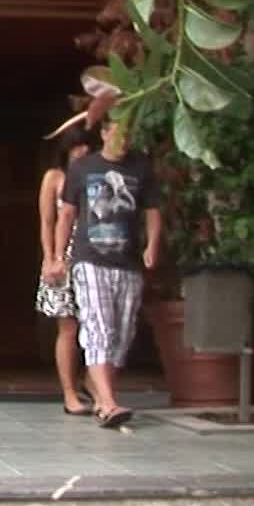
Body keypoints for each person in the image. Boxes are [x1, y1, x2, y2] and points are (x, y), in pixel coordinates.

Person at [45, 117, 161, 429]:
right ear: (105, 133)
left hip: (128, 262)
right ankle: (107, 402)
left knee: (121, 333)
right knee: (97, 325)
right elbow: (64, 215)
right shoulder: (81, 169)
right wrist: (56, 256)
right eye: (118, 134)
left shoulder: (141, 168)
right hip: (89, 259)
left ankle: (101, 394)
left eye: (129, 136)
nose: (124, 141)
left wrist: (152, 245)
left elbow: (152, 211)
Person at [37, 123, 99, 414]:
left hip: (94, 253)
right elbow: (47, 222)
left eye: (86, 144)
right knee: (68, 326)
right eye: (76, 145)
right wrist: (51, 258)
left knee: (97, 324)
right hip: (64, 257)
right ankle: (69, 392)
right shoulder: (55, 177)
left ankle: (94, 382)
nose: (82, 150)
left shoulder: (96, 174)